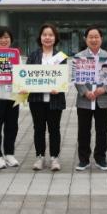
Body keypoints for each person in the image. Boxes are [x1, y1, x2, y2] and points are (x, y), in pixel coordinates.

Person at [26, 23, 67, 171]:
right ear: (40, 37)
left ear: (55, 38)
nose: (47, 37)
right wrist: (23, 86)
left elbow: (63, 77)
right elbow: (26, 76)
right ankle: (40, 157)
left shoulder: (61, 57)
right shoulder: (33, 55)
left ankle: (54, 158)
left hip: (55, 99)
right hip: (36, 100)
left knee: (54, 129)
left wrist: (59, 87)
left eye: (50, 35)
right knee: (38, 128)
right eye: (45, 35)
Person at [74, 26, 107, 171]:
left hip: (102, 100)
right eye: (90, 37)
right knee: (83, 131)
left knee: (102, 130)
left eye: (96, 37)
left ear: (101, 39)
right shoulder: (79, 56)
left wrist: (103, 89)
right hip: (84, 100)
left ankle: (100, 158)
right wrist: (85, 92)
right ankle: (83, 160)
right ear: (85, 39)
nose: (94, 40)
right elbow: (77, 79)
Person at [0, 26, 20, 169]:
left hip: (12, 97)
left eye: (6, 37)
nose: (3, 40)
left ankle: (9, 154)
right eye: (0, 37)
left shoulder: (16, 55)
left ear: (11, 39)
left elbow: (22, 75)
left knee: (12, 126)